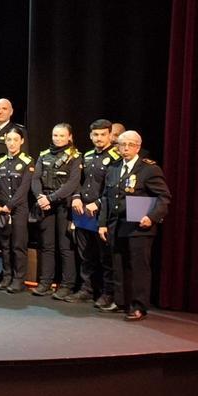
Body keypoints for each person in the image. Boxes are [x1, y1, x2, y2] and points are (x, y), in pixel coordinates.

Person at [98, 130, 170, 321]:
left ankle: (138, 306)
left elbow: (164, 197)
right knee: (118, 264)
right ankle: (121, 301)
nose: (126, 148)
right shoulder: (113, 167)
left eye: (130, 144)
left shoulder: (149, 169)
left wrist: (152, 217)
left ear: (138, 147)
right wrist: (102, 223)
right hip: (116, 224)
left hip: (139, 224)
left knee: (138, 267)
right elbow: (105, 197)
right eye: (122, 144)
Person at [69, 119, 119, 307]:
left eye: (103, 134)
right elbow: (78, 181)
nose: (99, 138)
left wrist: (97, 203)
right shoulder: (87, 155)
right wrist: (75, 196)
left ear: (110, 135)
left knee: (105, 257)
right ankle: (86, 290)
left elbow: (113, 189)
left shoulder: (115, 158)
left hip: (102, 213)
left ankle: (107, 293)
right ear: (90, 136)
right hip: (82, 212)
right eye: (95, 135)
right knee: (85, 255)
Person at [31, 123, 82, 298]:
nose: (57, 139)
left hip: (63, 205)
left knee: (65, 246)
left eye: (61, 136)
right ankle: (45, 282)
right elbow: (35, 179)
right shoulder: (43, 155)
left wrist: (50, 199)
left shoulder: (75, 156)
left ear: (70, 137)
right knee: (47, 245)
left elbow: (73, 184)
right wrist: (40, 197)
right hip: (45, 204)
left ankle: (67, 285)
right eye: (55, 135)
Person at [0, 127, 34, 293]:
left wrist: (10, 206)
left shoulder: (27, 162)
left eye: (15, 140)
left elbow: (24, 189)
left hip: (18, 210)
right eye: (9, 140)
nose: (12, 143)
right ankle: (7, 276)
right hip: (1, 210)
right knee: (5, 246)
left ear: (21, 141)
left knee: (18, 246)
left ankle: (18, 279)